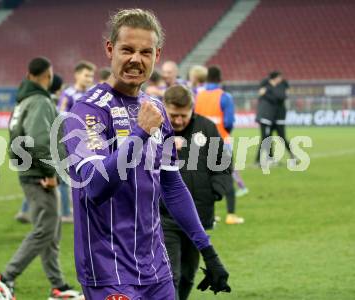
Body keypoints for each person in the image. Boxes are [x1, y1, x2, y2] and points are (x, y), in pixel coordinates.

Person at [63, 9, 231, 300]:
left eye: (145, 52)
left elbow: (172, 185)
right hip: (108, 272)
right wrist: (140, 134)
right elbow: (95, 186)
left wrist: (207, 249)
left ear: (157, 55)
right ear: (110, 49)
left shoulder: (155, 109)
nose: (135, 59)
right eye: (127, 49)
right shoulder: (86, 112)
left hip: (156, 269)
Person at [0, 57, 82, 300]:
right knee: (46, 229)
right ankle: (5, 278)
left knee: (52, 230)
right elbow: (39, 140)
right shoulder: (39, 101)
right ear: (47, 76)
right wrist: (49, 173)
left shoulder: (23, 102)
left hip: (32, 171)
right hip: (39, 175)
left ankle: (58, 286)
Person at [161, 85, 232, 300]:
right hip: (163, 217)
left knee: (188, 276)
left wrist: (215, 192)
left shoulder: (207, 128)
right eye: (174, 115)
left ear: (192, 109)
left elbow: (224, 164)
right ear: (164, 108)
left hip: (199, 216)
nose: (179, 121)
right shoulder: (154, 130)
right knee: (169, 275)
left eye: (183, 115)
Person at [195, 65, 246, 225]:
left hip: (201, 141)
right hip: (221, 141)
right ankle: (231, 215)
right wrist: (226, 132)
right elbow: (229, 121)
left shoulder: (199, 96)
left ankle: (209, 216)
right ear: (220, 79)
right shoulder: (224, 96)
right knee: (226, 177)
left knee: (205, 180)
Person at [14, 73, 65, 224]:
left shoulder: (38, 101)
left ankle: (25, 211)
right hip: (47, 151)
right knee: (50, 181)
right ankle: (64, 213)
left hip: (32, 154)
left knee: (35, 183)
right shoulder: (48, 102)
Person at [255, 70, 294, 165]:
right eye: (279, 78)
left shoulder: (275, 88)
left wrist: (266, 92)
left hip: (274, 117)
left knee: (270, 137)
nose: (281, 79)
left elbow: (281, 96)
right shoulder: (269, 87)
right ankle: (261, 160)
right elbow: (280, 96)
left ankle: (266, 159)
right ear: (275, 78)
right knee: (267, 137)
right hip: (267, 116)